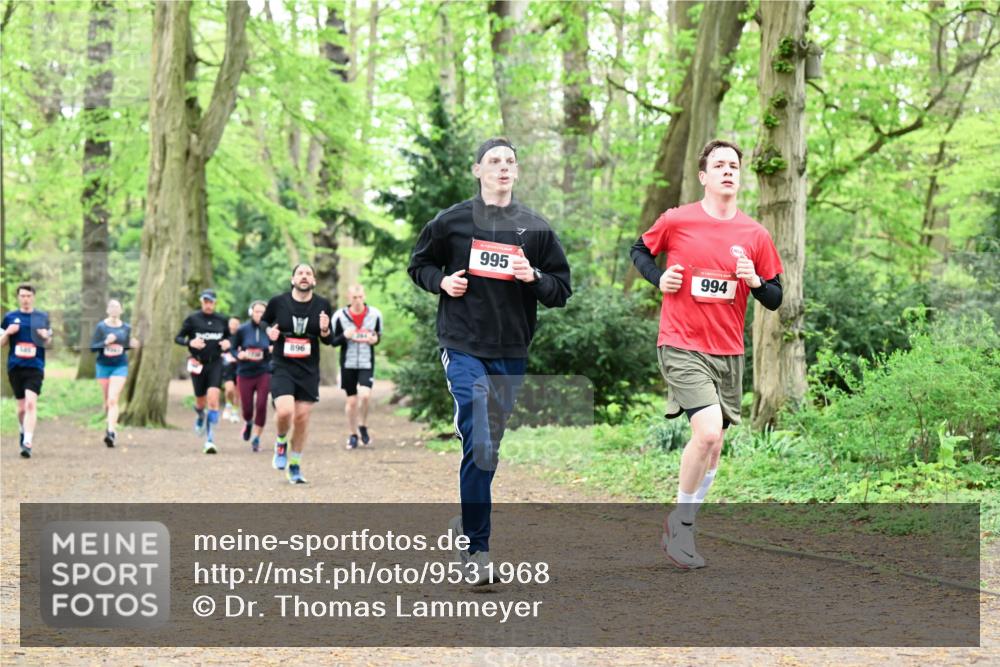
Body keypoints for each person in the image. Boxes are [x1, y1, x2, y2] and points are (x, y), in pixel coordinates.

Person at [407, 137, 572, 584]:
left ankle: (467, 520)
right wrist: (441, 283)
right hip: (461, 344)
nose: (503, 168)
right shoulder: (451, 222)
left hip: (511, 350)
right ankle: (476, 551)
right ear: (477, 170)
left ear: (516, 172)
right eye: (494, 161)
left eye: (510, 162)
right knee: (479, 434)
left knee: (488, 449)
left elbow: (561, 289)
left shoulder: (535, 229)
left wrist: (534, 276)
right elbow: (418, 265)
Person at [630, 139, 784, 569]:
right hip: (681, 343)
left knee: (713, 448)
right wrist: (659, 279)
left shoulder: (755, 235)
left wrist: (755, 281)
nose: (728, 171)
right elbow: (639, 250)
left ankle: (683, 521)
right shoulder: (678, 220)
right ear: (704, 176)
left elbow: (775, 298)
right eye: (719, 165)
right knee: (710, 432)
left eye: (734, 165)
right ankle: (682, 526)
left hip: (728, 351)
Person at [262, 263, 334, 484]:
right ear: (293, 279)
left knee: (302, 418)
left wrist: (324, 329)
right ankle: (281, 441)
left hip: (309, 370)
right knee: (285, 412)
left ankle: (295, 464)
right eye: (300, 273)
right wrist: (269, 332)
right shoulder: (278, 302)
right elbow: (264, 322)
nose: (304, 276)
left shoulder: (322, 305)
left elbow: (328, 340)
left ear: (313, 281)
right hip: (283, 366)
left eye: (308, 273)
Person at [174, 289, 231, 454]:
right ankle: (200, 415)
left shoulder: (222, 320)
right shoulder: (193, 319)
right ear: (201, 302)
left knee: (213, 399)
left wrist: (228, 343)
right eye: (205, 301)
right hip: (198, 364)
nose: (208, 304)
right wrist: (190, 342)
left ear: (215, 303)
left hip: (216, 363)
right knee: (200, 401)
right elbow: (178, 338)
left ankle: (210, 439)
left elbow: (230, 338)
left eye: (211, 301)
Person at [1, 284, 53, 458]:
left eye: (28, 296)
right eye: (22, 296)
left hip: (35, 366)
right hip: (16, 366)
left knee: (31, 403)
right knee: (22, 408)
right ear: (18, 297)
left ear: (33, 297)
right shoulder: (9, 317)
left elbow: (49, 342)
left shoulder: (42, 317)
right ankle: (23, 430)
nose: (25, 299)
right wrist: (8, 332)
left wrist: (45, 336)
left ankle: (28, 442)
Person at [332, 284, 383, 450]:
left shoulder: (375, 315)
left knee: (366, 396)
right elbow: (333, 341)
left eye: (360, 297)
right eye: (354, 297)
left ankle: (363, 425)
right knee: (352, 401)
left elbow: (378, 335)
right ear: (349, 298)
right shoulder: (340, 316)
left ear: (364, 296)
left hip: (367, 362)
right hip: (348, 363)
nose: (358, 300)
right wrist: (344, 336)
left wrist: (375, 340)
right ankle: (353, 434)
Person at [89, 299, 140, 447]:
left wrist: (131, 345)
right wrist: (105, 342)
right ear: (107, 310)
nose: (114, 309)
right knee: (107, 403)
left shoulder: (126, 328)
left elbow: (124, 346)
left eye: (117, 307)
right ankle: (109, 426)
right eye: (111, 306)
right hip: (103, 366)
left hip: (120, 366)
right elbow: (93, 348)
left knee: (113, 399)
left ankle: (111, 432)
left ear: (121, 311)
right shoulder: (101, 327)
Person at [235, 300, 272, 452]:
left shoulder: (271, 330)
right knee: (247, 408)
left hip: (264, 371)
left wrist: (271, 349)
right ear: (251, 313)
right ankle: (248, 422)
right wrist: (240, 354)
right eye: (256, 311)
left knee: (262, 405)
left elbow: (279, 347)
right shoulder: (242, 329)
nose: (259, 315)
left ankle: (256, 438)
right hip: (245, 372)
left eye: (262, 312)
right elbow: (232, 348)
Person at [221, 316, 242, 423]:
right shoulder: (224, 335)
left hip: (240, 366)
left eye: (236, 324)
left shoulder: (242, 336)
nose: (233, 326)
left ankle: (235, 411)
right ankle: (228, 405)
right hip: (227, 365)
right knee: (229, 389)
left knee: (238, 391)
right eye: (232, 323)